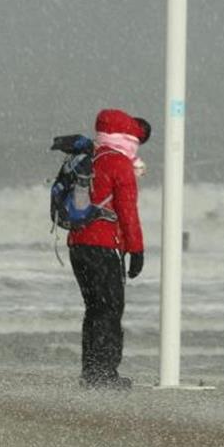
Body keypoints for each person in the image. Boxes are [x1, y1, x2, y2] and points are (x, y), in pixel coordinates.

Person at [68, 108, 150, 389]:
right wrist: (136, 250)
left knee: (93, 309)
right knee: (110, 310)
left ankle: (91, 372)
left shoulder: (90, 157)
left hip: (77, 245)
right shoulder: (119, 164)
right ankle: (104, 374)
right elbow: (128, 213)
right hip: (103, 246)